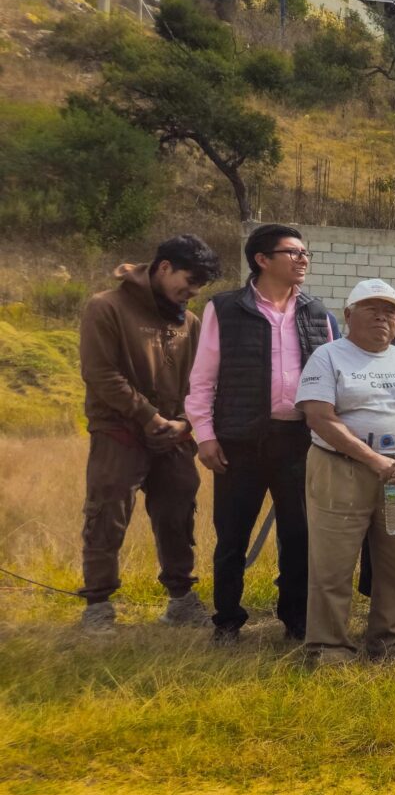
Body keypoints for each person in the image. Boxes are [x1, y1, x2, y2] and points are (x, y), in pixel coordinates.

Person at [188, 225, 338, 644]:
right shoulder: (224, 309)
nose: (303, 259)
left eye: (305, 253)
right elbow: (202, 379)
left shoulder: (316, 312)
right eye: (293, 252)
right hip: (240, 441)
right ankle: (227, 620)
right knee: (232, 535)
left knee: (299, 535)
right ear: (262, 259)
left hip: (299, 441)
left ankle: (296, 619)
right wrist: (205, 435)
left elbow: (332, 376)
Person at [77, 234, 220, 631]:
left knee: (178, 516)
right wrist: (147, 416)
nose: (193, 292)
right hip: (118, 432)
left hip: (174, 437)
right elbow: (100, 373)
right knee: (106, 516)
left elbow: (201, 381)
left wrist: (185, 423)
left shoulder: (190, 322)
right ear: (164, 268)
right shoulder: (106, 307)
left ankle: (181, 601)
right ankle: (98, 606)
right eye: (189, 281)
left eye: (199, 286)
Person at [296, 279, 395, 662]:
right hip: (341, 470)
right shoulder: (328, 356)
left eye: (389, 310)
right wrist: (373, 460)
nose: (382, 317)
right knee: (333, 565)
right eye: (371, 309)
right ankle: (329, 649)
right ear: (348, 315)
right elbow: (319, 417)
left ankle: (393, 644)